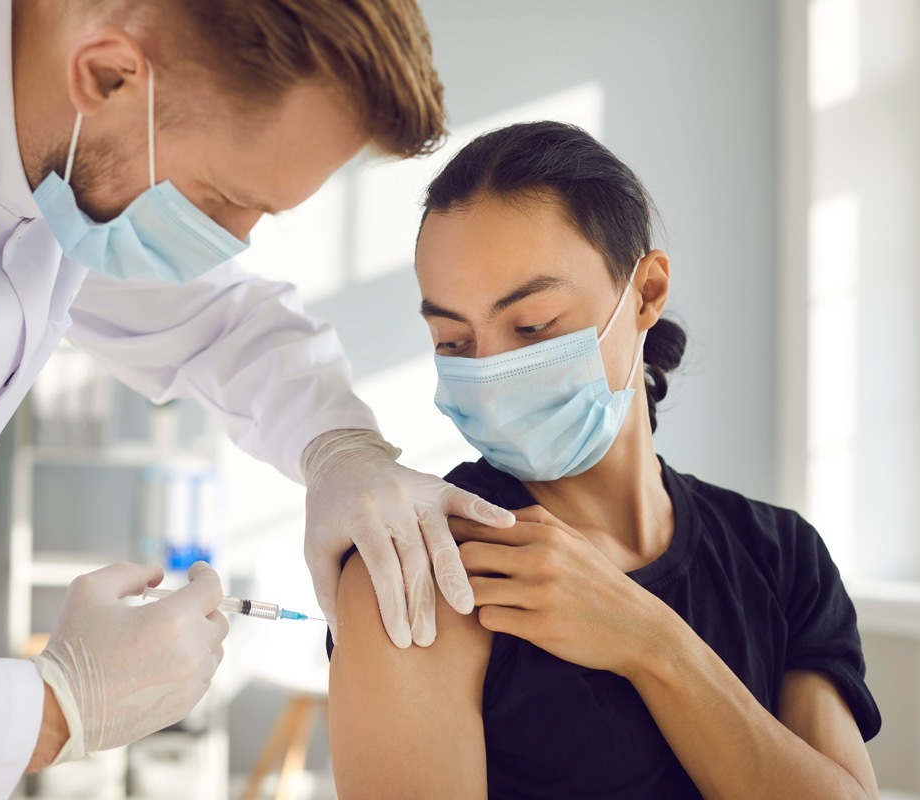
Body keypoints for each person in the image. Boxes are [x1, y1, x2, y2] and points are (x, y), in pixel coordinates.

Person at [0, 0, 517, 794]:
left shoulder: (65, 142)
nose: (231, 240)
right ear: (107, 72)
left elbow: (223, 318)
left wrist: (343, 448)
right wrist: (57, 708)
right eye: (224, 198)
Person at [327, 121, 883, 799]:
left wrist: (655, 645)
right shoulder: (427, 570)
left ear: (646, 292)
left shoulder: (782, 555)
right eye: (453, 341)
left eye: (533, 326)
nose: (494, 371)